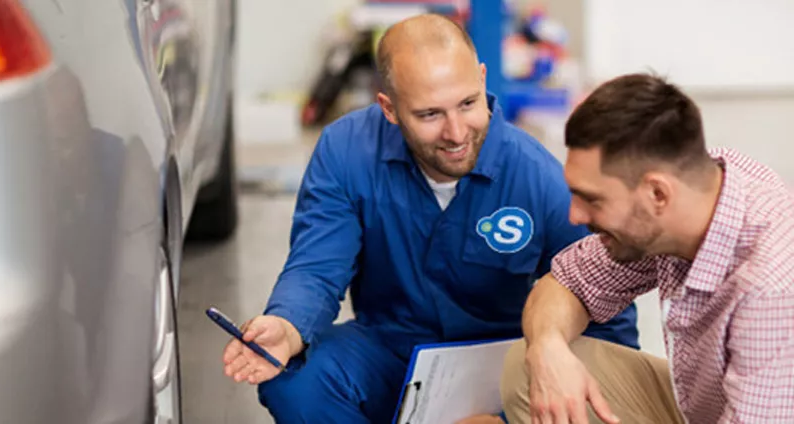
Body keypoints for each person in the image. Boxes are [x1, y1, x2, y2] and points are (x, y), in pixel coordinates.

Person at [222, 14, 638, 423]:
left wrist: (511, 416)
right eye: (429, 115)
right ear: (389, 107)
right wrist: (287, 324)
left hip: (504, 367)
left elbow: (604, 310)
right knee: (295, 379)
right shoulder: (345, 151)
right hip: (391, 350)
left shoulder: (539, 178)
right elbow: (317, 266)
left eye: (468, 103)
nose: (456, 133)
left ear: (481, 77)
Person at [499, 73, 794, 423]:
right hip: (708, 407)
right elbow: (568, 282)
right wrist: (547, 347)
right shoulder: (699, 182)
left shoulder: (770, 290)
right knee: (531, 366)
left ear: (658, 194)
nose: (575, 215)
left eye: (592, 199)